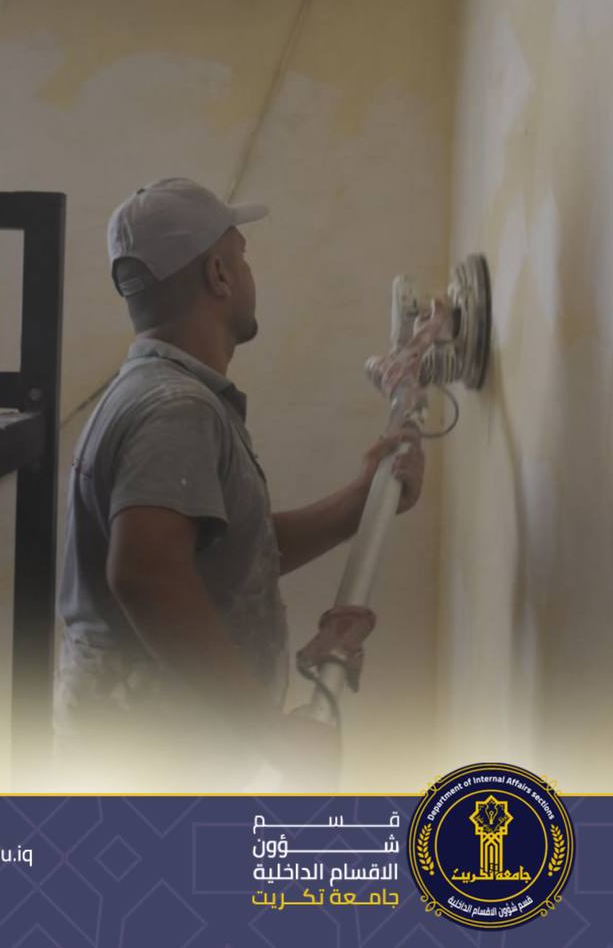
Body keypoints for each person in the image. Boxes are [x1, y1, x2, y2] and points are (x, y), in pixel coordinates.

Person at [53, 178, 424, 789]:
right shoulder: (176, 409)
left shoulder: (154, 396)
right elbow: (146, 575)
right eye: (242, 256)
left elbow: (222, 555)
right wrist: (269, 732)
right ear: (219, 275)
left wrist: (360, 504)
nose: (250, 274)